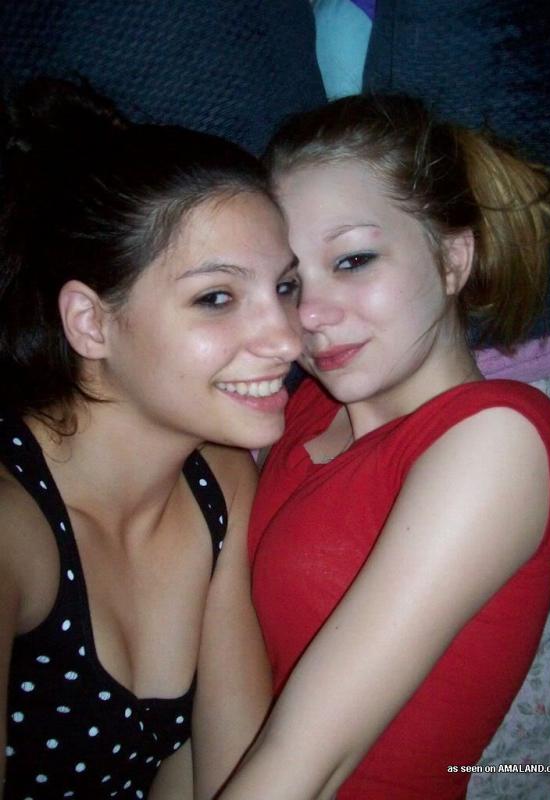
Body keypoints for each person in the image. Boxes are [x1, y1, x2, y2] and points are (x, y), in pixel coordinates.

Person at [219, 94, 550, 799]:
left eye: (353, 260)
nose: (309, 316)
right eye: (289, 282)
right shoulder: (300, 412)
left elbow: (309, 761)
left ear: (452, 259)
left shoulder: (499, 438)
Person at [0, 78, 302, 799]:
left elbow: (223, 773)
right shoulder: (12, 525)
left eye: (285, 287)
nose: (290, 340)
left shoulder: (222, 481)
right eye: (217, 298)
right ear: (91, 323)